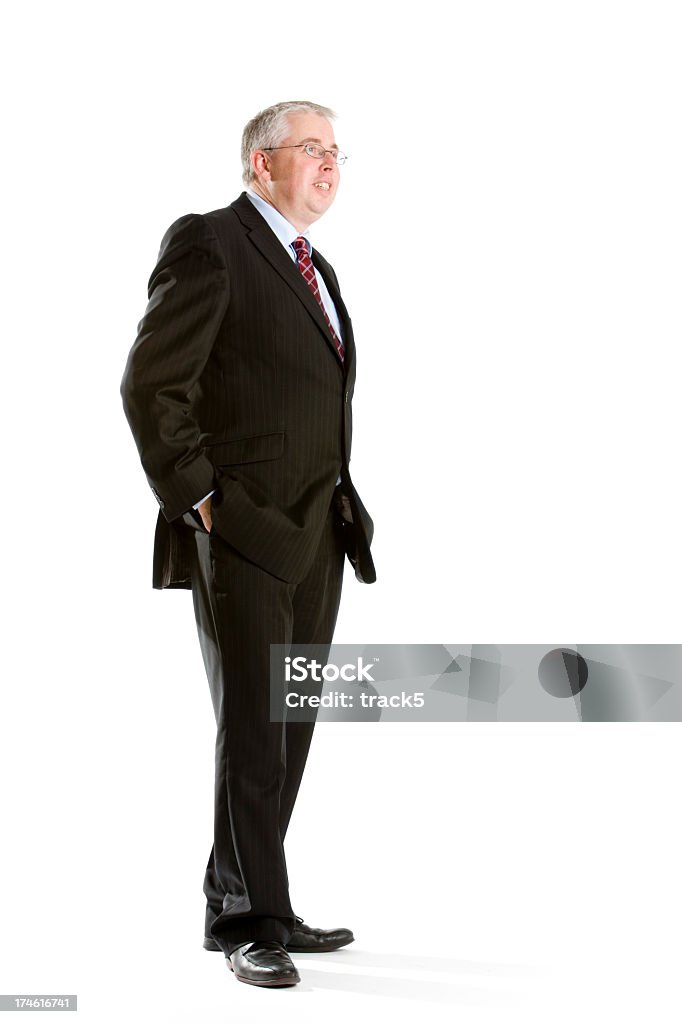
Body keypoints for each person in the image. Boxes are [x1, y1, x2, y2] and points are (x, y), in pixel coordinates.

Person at [120, 99, 376, 988]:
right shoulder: (210, 242)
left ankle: (255, 895)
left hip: (318, 532)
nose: (330, 162)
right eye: (312, 148)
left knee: (288, 725)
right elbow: (152, 385)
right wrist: (207, 505)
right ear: (261, 164)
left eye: (338, 150)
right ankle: (244, 923)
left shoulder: (319, 270)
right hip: (244, 534)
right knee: (254, 731)